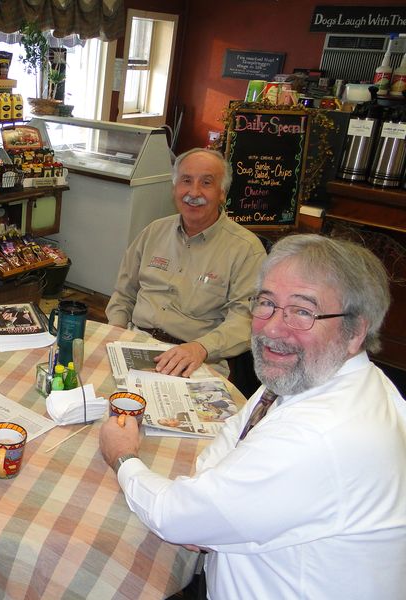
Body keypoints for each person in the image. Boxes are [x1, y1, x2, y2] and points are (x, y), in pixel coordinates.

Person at [100, 234, 406, 599]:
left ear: (355, 331)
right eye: (266, 303)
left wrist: (123, 456)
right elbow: (235, 432)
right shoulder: (320, 376)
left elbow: (172, 517)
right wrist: (210, 512)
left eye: (303, 312)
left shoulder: (320, 435)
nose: (272, 327)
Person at [105, 148, 266, 378]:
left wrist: (200, 348)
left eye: (206, 183)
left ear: (222, 193)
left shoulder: (246, 250)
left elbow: (245, 320)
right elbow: (124, 293)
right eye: (186, 181)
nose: (194, 192)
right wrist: (116, 330)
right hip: (135, 342)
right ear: (174, 188)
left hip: (196, 359)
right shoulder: (154, 231)